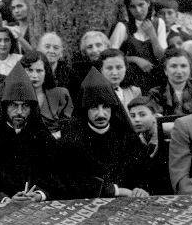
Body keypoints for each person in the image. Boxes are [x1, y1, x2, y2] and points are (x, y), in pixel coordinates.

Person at [0, 64, 64, 203]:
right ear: (4, 107)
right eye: (14, 105)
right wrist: (5, 199)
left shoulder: (42, 137)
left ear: (32, 108)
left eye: (25, 106)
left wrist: (40, 195)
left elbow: (54, 178)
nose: (20, 112)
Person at [58, 68, 150, 199]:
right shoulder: (72, 139)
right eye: (94, 107)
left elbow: (142, 172)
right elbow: (71, 181)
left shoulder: (126, 136)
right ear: (85, 110)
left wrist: (139, 189)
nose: (101, 114)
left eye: (106, 107)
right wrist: (115, 191)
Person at [127, 96, 172, 195]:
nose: (137, 120)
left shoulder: (168, 139)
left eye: (142, 115)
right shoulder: (134, 140)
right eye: (132, 116)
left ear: (155, 116)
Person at [148, 48, 192, 117]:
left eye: (183, 66)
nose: (179, 71)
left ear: (189, 69)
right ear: (165, 70)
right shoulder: (155, 93)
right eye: (174, 66)